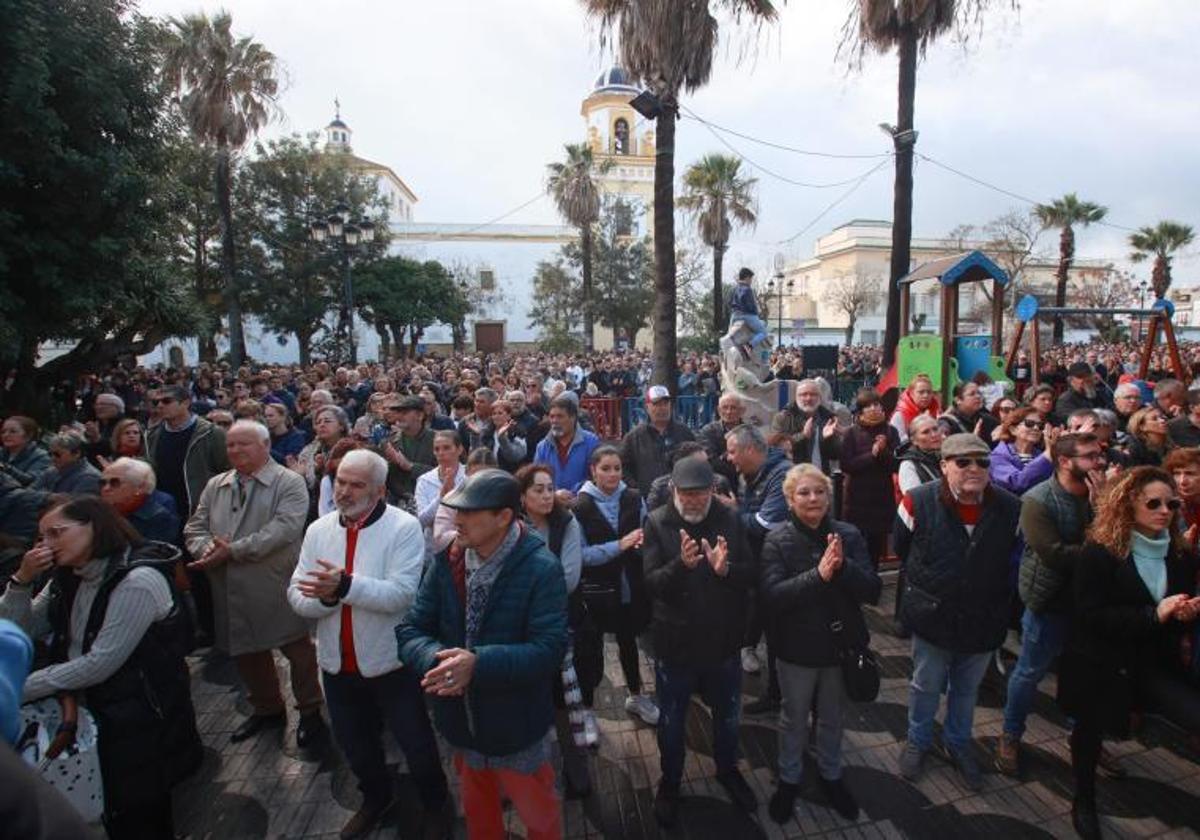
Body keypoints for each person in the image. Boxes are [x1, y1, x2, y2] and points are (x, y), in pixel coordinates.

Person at [0, 497, 201, 838]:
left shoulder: (138, 579)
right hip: (92, 713)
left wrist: (21, 686)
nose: (46, 544)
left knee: (141, 817)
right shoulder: (68, 575)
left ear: (93, 527)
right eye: (42, 536)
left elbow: (100, 663)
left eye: (56, 533)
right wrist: (21, 581)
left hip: (139, 718)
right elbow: (22, 631)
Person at [396, 469, 568, 840]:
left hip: (517, 726)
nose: (457, 520)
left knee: (539, 818)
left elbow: (549, 649)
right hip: (463, 723)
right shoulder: (448, 561)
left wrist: (478, 664)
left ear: (503, 517)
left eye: (469, 512)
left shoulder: (541, 568)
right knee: (478, 814)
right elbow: (411, 629)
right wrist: (440, 661)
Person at [288, 450, 450, 839]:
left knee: (416, 742)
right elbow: (296, 594)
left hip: (391, 662)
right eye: (341, 481)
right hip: (336, 663)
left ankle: (437, 803)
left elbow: (401, 595)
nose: (344, 491)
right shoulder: (319, 530)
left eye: (356, 484)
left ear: (378, 491)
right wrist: (326, 598)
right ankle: (377, 798)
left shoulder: (403, 528)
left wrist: (343, 587)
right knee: (355, 746)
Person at [1059, 467, 1200, 839]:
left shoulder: (1180, 553)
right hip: (1100, 661)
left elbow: (1173, 611)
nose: (1164, 511)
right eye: (1153, 503)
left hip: (1151, 663)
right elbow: (1089, 615)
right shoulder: (1100, 552)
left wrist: (1184, 614)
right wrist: (1154, 613)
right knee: (1089, 733)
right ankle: (1084, 799)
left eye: (1171, 504)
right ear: (1127, 504)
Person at [183, 421, 326, 746]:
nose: (234, 450)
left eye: (243, 444)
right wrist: (206, 549)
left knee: (297, 651)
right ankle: (267, 707)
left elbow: (285, 528)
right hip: (229, 586)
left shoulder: (287, 482)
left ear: (264, 445)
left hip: (274, 582)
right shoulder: (216, 484)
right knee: (246, 651)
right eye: (230, 445)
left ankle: (310, 710)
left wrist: (232, 551)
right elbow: (195, 526)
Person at [893, 433, 1022, 791]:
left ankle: (957, 742)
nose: (974, 468)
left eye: (982, 461)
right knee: (925, 684)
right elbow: (901, 547)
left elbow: (1013, 559)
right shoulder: (917, 501)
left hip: (983, 617)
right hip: (934, 615)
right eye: (963, 461)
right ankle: (917, 742)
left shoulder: (1011, 508)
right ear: (944, 465)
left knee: (966, 689)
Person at [996, 432, 1125, 779]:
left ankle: (1085, 739)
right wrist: (1102, 539)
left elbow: (1123, 538)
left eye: (1100, 454)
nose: (1098, 462)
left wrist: (1104, 508)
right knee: (1029, 672)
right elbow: (1055, 555)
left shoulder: (1103, 496)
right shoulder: (1038, 500)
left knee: (1085, 674)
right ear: (1065, 461)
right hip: (1051, 599)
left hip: (1091, 603)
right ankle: (1010, 735)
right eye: (1089, 457)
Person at [762, 464, 881, 823]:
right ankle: (789, 779)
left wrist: (843, 568)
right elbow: (772, 597)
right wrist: (818, 576)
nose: (813, 499)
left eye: (819, 492)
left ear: (830, 496)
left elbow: (873, 590)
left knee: (832, 717)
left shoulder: (848, 534)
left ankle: (831, 775)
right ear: (789, 499)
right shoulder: (778, 539)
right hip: (796, 650)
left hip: (839, 647)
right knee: (794, 717)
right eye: (804, 493)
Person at [642, 457, 757, 827]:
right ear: (674, 490)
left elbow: (751, 575)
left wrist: (726, 571)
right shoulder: (658, 521)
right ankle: (671, 783)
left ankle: (728, 770)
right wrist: (682, 567)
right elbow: (652, 584)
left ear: (712, 491)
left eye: (701, 493)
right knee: (673, 722)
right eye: (686, 493)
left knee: (728, 716)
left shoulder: (730, 520)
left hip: (723, 643)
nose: (693, 501)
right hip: (676, 646)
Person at [515, 463, 591, 795]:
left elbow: (569, 577)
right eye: (538, 489)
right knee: (531, 704)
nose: (547, 495)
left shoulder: (566, 522)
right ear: (522, 497)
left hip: (562, 628)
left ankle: (578, 775)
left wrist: (528, 588)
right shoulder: (513, 527)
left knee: (564, 704)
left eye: (550, 488)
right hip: (523, 632)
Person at [573, 445, 657, 727]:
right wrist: (619, 546)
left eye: (617, 468)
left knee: (628, 642)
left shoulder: (633, 497)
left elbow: (646, 534)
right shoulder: (581, 506)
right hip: (597, 591)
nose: (612, 474)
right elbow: (582, 555)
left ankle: (635, 694)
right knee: (591, 651)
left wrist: (642, 545)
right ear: (593, 470)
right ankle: (587, 708)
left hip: (630, 587)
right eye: (605, 468)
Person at [724, 423, 791, 710]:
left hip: (782, 565)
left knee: (780, 635)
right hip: (760, 562)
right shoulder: (749, 473)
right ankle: (775, 692)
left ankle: (782, 697)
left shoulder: (782, 474)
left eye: (732, 451)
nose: (728, 458)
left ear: (750, 450)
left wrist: (732, 511)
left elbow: (766, 523)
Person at [838, 389, 900, 569]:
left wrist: (883, 453)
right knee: (855, 544)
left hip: (881, 499)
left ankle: (872, 585)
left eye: (877, 404)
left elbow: (896, 465)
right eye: (869, 406)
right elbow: (846, 465)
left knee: (875, 548)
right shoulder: (852, 433)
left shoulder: (890, 431)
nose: (874, 409)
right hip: (857, 499)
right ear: (861, 410)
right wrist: (871, 455)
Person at [620, 385, 696, 498]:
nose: (662, 408)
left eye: (665, 403)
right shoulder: (633, 437)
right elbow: (623, 468)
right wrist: (636, 490)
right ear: (647, 407)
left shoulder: (684, 432)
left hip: (681, 498)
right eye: (657, 404)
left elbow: (696, 462)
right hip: (646, 500)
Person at [533, 394, 600, 500]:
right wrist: (555, 493)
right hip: (552, 503)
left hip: (584, 503)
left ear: (573, 418)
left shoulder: (591, 442)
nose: (554, 421)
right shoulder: (542, 447)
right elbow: (537, 478)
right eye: (552, 416)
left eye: (560, 416)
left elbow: (596, 475)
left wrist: (574, 493)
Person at [414, 430, 466, 564]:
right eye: (437, 449)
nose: (441, 453)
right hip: (433, 552)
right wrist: (441, 496)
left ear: (459, 449)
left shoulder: (470, 476)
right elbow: (422, 520)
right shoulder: (425, 480)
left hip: (465, 549)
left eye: (447, 448)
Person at [769, 380, 841, 475]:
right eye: (803, 394)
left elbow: (835, 455)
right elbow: (776, 449)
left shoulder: (828, 418)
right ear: (796, 397)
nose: (808, 398)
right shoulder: (783, 418)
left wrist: (828, 439)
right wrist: (803, 436)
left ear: (819, 397)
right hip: (793, 477)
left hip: (820, 477)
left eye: (813, 394)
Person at [100, 457, 179, 544]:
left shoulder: (160, 519)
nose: (106, 488)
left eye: (114, 483)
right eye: (102, 483)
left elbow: (151, 554)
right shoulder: (100, 512)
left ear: (139, 487)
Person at [645, 441, 733, 512]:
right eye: (700, 464)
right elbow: (653, 517)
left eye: (707, 462)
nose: (706, 467)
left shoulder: (719, 482)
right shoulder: (660, 486)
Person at [989, 407, 1056, 496]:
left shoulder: (1042, 455)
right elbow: (1016, 483)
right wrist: (1047, 454)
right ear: (1013, 429)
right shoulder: (998, 456)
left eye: (1040, 426)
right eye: (1029, 423)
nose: (1036, 428)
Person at [382, 396, 435, 506]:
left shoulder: (438, 440)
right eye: (398, 412)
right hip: (398, 504)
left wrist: (411, 467)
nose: (399, 416)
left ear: (420, 416)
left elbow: (447, 473)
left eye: (405, 412)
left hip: (430, 500)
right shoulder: (390, 442)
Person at [697, 392, 745, 488]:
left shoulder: (749, 432)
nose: (728, 412)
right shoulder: (708, 431)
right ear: (719, 410)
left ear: (741, 411)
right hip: (718, 484)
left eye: (733, 408)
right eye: (725, 407)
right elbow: (710, 461)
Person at [32, 431, 101, 496]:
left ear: (77, 453)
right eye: (50, 454)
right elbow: (28, 495)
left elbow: (73, 506)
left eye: (57, 454)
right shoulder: (51, 471)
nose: (52, 458)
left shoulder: (89, 478)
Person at [726, 267, 768, 361]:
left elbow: (728, 302)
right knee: (763, 332)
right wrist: (756, 314)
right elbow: (750, 305)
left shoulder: (732, 289)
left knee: (729, 336)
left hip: (735, 315)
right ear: (747, 278)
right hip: (748, 315)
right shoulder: (747, 289)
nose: (751, 281)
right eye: (751, 279)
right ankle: (749, 345)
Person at [896, 415, 943, 495]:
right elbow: (915, 499)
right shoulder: (908, 465)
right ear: (914, 440)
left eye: (935, 429)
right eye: (925, 432)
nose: (934, 435)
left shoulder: (949, 454)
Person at [0, 416, 51, 486]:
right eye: (3, 432)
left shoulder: (41, 457)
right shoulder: (1, 452)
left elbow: (31, 481)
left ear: (28, 436)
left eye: (13, 431)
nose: (6, 435)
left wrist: (5, 467)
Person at [890, 374, 940, 444]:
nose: (926, 395)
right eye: (921, 392)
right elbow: (897, 442)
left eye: (929, 392)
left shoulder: (936, 411)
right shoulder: (900, 415)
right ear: (911, 393)